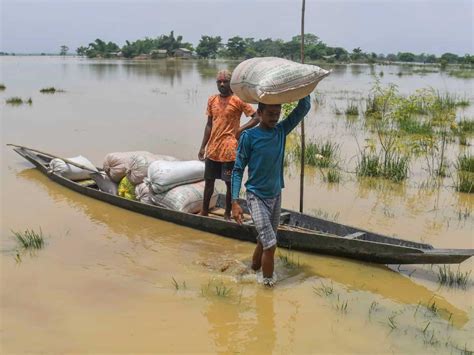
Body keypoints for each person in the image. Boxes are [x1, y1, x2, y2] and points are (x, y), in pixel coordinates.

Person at [231, 96, 311, 287]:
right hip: (256, 196)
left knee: (263, 240)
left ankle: (253, 269)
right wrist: (234, 202)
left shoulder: (281, 131)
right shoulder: (249, 137)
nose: (275, 118)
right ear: (259, 114)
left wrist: (304, 88)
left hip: (275, 195)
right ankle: (268, 287)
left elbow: (304, 108)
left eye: (277, 114)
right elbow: (238, 169)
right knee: (270, 244)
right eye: (270, 114)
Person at [198, 70, 259, 220]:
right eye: (219, 82)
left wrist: (241, 129)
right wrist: (202, 146)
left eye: (225, 81)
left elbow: (257, 117)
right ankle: (204, 211)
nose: (222, 84)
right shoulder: (212, 100)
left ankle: (227, 214)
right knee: (209, 182)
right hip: (213, 149)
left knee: (229, 184)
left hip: (229, 150)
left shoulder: (238, 100)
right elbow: (209, 125)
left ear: (231, 84)